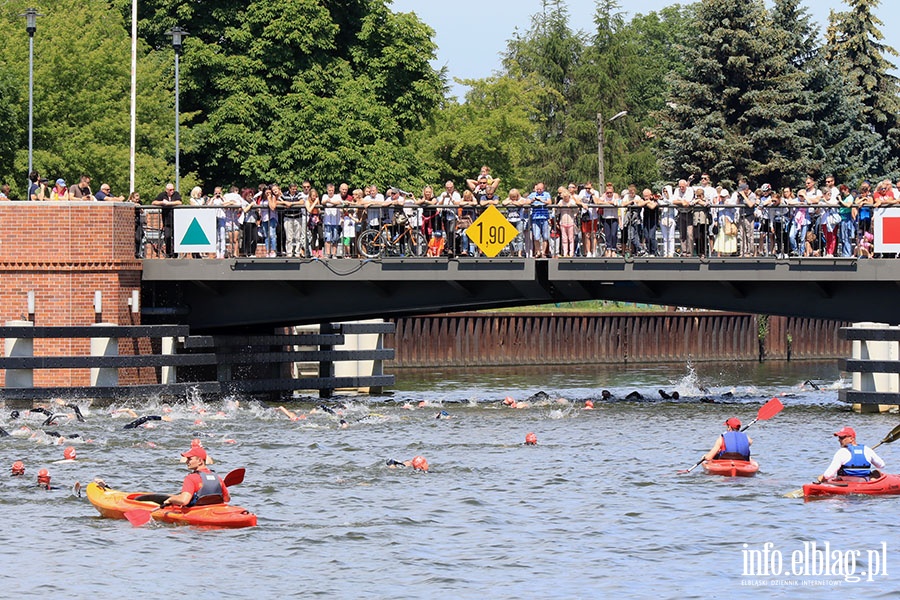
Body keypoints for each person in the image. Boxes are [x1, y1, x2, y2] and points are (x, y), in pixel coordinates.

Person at [163, 446, 229, 507]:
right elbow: (227, 499)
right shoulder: (218, 478)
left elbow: (184, 501)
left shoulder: (191, 478)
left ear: (200, 461)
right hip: (215, 510)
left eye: (189, 459)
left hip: (196, 512)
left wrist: (170, 500)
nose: (187, 461)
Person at [815, 426, 885, 483]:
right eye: (839, 437)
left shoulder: (842, 452)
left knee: (824, 478)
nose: (839, 440)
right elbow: (881, 465)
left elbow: (828, 474)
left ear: (851, 438)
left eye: (842, 437)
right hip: (864, 481)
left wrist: (822, 478)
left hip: (846, 483)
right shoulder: (867, 450)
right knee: (876, 473)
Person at [152, 183, 183, 256]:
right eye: (170, 190)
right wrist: (162, 202)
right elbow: (154, 202)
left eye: (173, 189)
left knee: (176, 237)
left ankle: (175, 253)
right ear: (166, 190)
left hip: (176, 220)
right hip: (166, 221)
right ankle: (168, 253)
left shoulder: (176, 194)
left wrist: (168, 203)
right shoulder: (162, 195)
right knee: (167, 236)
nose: (172, 191)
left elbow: (179, 202)